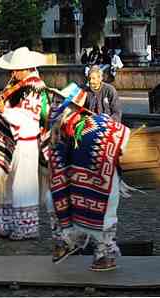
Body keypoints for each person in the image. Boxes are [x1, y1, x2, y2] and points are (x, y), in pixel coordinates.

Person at [47, 83, 131, 272]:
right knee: (52, 200)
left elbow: (121, 137)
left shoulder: (97, 123)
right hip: (77, 181)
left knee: (104, 216)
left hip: (104, 179)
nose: (55, 106)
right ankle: (67, 241)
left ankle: (105, 255)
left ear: (73, 107)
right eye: (55, 101)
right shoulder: (62, 130)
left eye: (60, 102)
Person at [0, 47, 49, 241]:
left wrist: (3, 109)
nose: (13, 73)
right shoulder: (16, 84)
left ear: (27, 67)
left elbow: (28, 117)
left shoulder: (35, 87)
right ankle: (6, 224)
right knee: (7, 182)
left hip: (25, 142)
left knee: (24, 184)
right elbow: (6, 108)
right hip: (10, 141)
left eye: (17, 69)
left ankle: (26, 228)